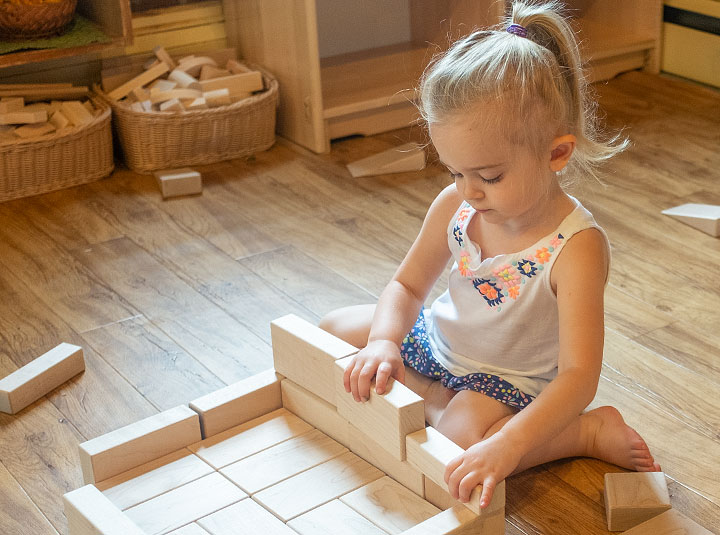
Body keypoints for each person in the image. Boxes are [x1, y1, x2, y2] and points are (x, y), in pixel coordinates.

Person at [319, 0, 660, 509]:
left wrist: (509, 443)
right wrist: (385, 342)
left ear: (556, 154)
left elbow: (578, 377)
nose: (469, 191)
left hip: (508, 383)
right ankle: (439, 401)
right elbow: (408, 287)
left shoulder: (577, 248)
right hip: (438, 344)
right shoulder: (456, 205)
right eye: (456, 172)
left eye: (489, 176)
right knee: (333, 331)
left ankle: (581, 436)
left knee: (455, 450)